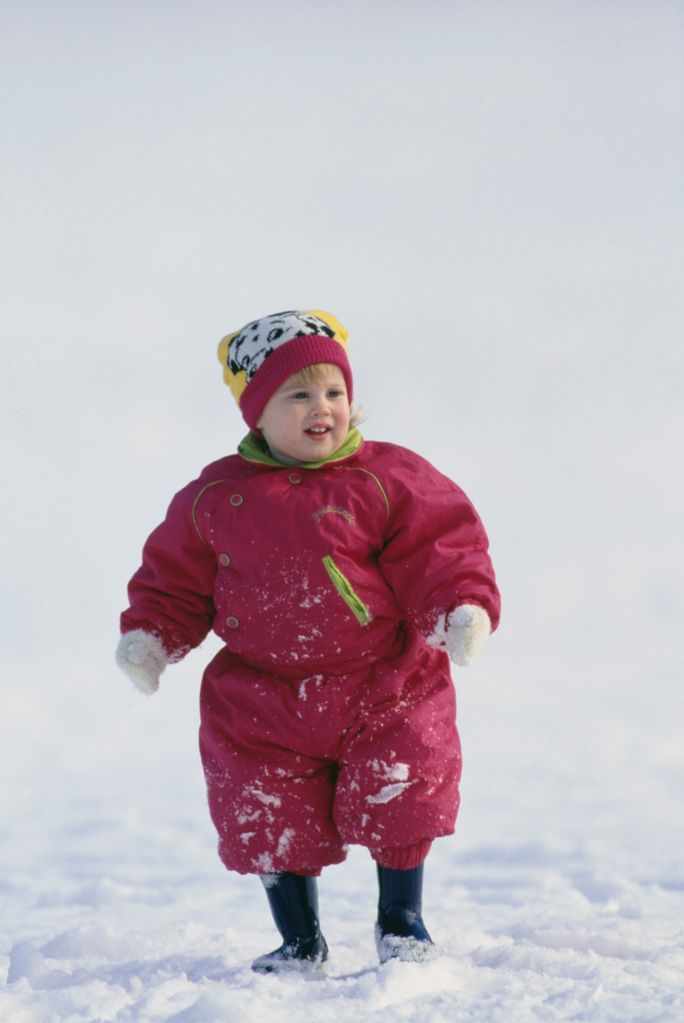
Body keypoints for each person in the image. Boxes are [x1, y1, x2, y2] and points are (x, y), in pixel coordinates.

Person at [116, 309, 501, 972]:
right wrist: (153, 634)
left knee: (401, 786)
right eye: (298, 395)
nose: (322, 409)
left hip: (382, 679)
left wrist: (458, 607)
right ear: (256, 415)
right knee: (263, 802)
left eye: (334, 392)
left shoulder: (387, 478)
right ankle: (299, 938)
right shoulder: (214, 496)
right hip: (263, 692)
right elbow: (176, 577)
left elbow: (439, 548)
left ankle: (401, 920)